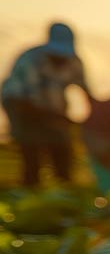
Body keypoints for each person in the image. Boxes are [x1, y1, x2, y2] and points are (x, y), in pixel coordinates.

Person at [1, 22, 91, 186]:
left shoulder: (75, 63)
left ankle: (64, 186)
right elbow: (25, 103)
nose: (60, 59)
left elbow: (87, 93)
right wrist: (59, 119)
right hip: (19, 105)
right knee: (31, 147)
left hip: (52, 107)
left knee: (63, 148)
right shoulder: (30, 60)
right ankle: (30, 186)